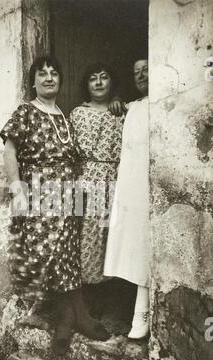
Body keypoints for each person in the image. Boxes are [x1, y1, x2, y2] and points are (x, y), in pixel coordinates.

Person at [0, 56, 109, 356]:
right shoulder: (25, 112)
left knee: (69, 254)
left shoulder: (65, 115)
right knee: (52, 253)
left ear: (60, 80)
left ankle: (71, 318)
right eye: (42, 74)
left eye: (54, 74)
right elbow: (10, 152)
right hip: (42, 192)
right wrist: (17, 190)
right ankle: (72, 317)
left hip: (71, 191)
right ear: (33, 81)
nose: (49, 78)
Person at [104, 59, 150, 339]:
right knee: (134, 245)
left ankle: (142, 313)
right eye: (136, 72)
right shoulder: (133, 107)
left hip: (156, 187)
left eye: (146, 69)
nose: (141, 75)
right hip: (134, 187)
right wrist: (118, 101)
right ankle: (138, 312)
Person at [70, 63, 124, 296]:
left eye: (104, 77)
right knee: (85, 237)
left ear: (112, 82)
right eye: (93, 78)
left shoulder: (121, 112)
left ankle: (109, 294)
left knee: (110, 237)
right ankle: (86, 297)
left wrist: (120, 101)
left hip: (115, 181)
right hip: (85, 180)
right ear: (87, 84)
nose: (99, 82)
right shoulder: (77, 113)